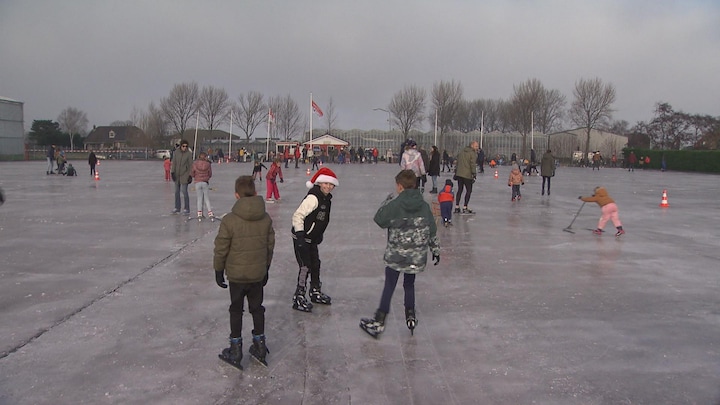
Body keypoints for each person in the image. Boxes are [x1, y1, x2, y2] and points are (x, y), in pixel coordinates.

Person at [359, 170, 440, 338]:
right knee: (409, 284)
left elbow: (379, 219)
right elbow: (432, 229)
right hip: (416, 256)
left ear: (400, 186)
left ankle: (379, 321)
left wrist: (386, 202)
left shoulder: (395, 204)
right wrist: (435, 249)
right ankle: (410, 315)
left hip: (396, 254)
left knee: (390, 284)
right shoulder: (424, 206)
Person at [214, 175, 275, 369]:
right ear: (255, 193)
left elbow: (221, 247)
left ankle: (236, 348)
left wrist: (218, 269)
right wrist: (265, 268)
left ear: (236, 195)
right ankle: (259, 343)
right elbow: (269, 246)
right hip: (257, 273)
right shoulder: (265, 218)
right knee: (257, 308)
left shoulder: (229, 220)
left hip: (237, 276)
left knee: (236, 310)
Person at [291, 167, 339, 312]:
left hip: (311, 238)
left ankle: (315, 290)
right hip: (302, 237)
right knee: (305, 266)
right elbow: (297, 216)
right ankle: (299, 295)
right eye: (325, 184)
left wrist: (318, 234)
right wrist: (300, 236)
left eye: (331, 185)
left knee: (315, 264)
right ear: (319, 183)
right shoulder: (313, 198)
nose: (328, 187)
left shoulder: (326, 199)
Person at [454, 141, 479, 214]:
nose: (477, 148)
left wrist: (456, 172)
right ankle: (465, 207)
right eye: (476, 146)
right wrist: (474, 174)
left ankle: (457, 206)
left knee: (460, 190)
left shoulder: (462, 151)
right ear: (472, 146)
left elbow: (458, 162)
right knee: (468, 190)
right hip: (467, 175)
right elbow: (472, 164)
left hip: (459, 174)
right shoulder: (472, 153)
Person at [170, 140, 193, 215]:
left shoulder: (189, 154)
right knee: (176, 192)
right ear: (180, 146)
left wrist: (190, 175)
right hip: (177, 174)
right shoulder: (176, 152)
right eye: (183, 146)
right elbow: (174, 163)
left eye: (186, 146)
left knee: (184, 192)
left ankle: (186, 208)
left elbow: (190, 165)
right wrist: (172, 172)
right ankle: (177, 207)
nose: (185, 148)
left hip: (184, 175)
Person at [191, 152, 214, 219]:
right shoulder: (208, 164)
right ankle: (210, 213)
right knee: (206, 198)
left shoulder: (195, 164)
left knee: (199, 198)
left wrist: (195, 176)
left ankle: (199, 213)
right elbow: (210, 173)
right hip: (205, 182)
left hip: (197, 182)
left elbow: (192, 173)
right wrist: (207, 177)